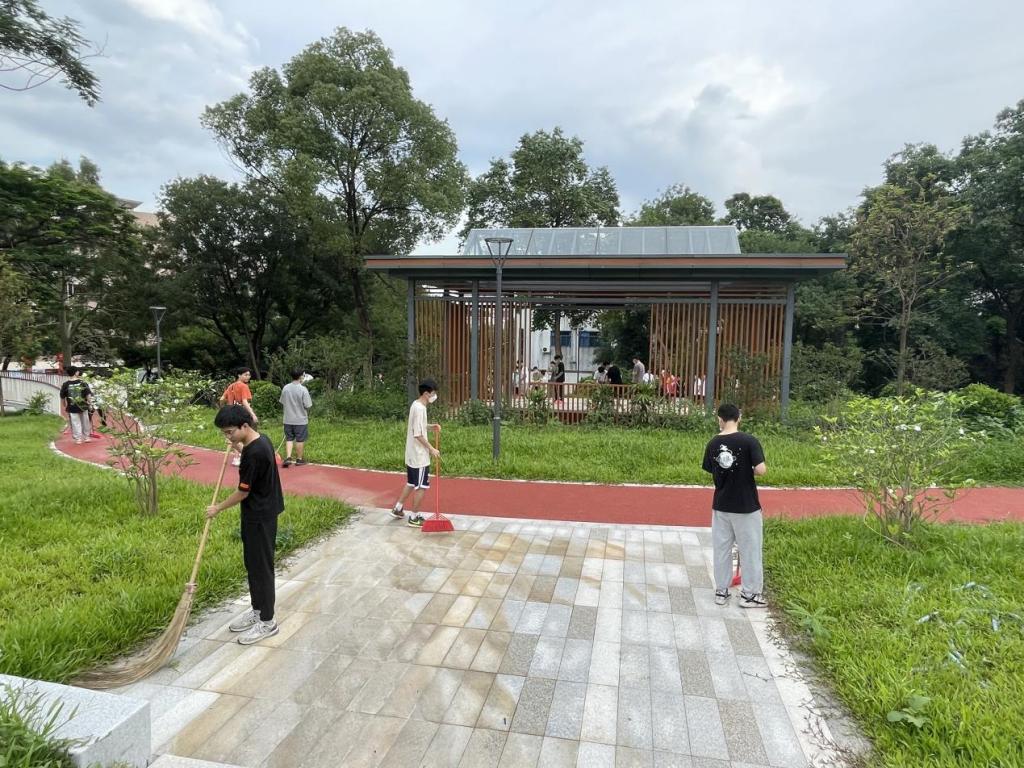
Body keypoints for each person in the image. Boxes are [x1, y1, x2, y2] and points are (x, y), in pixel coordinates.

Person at [204, 404, 284, 644]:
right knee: (253, 565)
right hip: (259, 513)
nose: (228, 437)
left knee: (261, 569)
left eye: (230, 432)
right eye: (225, 433)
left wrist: (217, 508)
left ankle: (267, 622)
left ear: (245, 425)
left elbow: (243, 492)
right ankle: (258, 610)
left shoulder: (254, 454)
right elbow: (248, 453)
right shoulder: (260, 440)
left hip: (259, 516)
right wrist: (237, 446)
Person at [702, 403, 768, 609]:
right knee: (750, 549)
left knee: (721, 549)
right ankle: (749, 595)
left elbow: (711, 468)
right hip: (746, 505)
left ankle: (721, 591)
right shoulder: (749, 441)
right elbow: (761, 470)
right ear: (739, 418)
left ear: (720, 419)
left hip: (721, 504)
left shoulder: (713, 443)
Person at [390, 379, 441, 528]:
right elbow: (418, 434)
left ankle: (398, 508)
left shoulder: (415, 405)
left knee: (411, 483)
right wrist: (431, 449)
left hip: (411, 454)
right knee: (421, 486)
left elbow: (418, 426)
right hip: (419, 457)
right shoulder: (420, 409)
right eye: (433, 393)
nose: (434, 396)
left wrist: (431, 426)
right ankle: (414, 517)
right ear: (426, 393)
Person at [219, 367, 257, 466]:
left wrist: (224, 408)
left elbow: (222, 399)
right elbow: (245, 401)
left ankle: (236, 458)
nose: (248, 377)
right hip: (242, 414)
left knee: (234, 436)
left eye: (249, 375)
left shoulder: (231, 386)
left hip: (231, 413)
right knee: (245, 435)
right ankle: (245, 456)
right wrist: (252, 414)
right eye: (245, 374)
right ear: (239, 375)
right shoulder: (244, 386)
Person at [279, 369, 313, 467]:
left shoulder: (285, 388)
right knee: (300, 439)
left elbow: (282, 402)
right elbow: (308, 405)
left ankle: (288, 457)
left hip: (287, 419)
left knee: (289, 438)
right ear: (301, 376)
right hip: (300, 420)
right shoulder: (303, 389)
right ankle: (299, 459)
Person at [59, 366, 93, 444]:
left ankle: (78, 439)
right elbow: (88, 394)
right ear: (75, 372)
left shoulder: (65, 384)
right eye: (77, 371)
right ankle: (86, 437)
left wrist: (64, 405)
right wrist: (90, 403)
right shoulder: (83, 382)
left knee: (75, 423)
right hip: (83, 406)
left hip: (72, 406)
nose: (78, 372)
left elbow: (62, 396)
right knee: (85, 421)